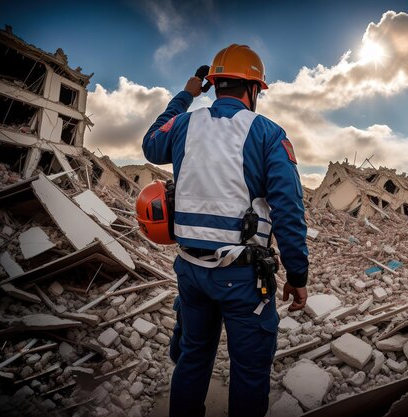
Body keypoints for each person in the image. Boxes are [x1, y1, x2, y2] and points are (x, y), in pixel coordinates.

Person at [142, 44, 309, 417]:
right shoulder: (267, 133)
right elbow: (289, 211)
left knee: (193, 357)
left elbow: (152, 143)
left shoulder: (184, 124)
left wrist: (187, 93)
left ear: (214, 84)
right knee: (249, 371)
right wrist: (298, 275)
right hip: (243, 279)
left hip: (190, 273)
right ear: (253, 89)